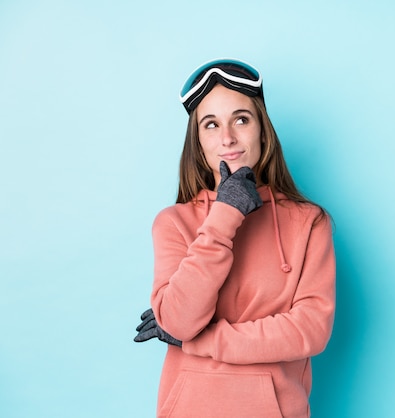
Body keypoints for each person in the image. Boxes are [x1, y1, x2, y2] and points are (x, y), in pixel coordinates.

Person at [133, 58, 336, 418]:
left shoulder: (309, 222)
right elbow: (178, 321)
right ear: (198, 141)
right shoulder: (173, 222)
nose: (227, 138)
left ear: (262, 129)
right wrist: (225, 214)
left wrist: (200, 341)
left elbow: (309, 330)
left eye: (241, 119)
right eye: (211, 125)